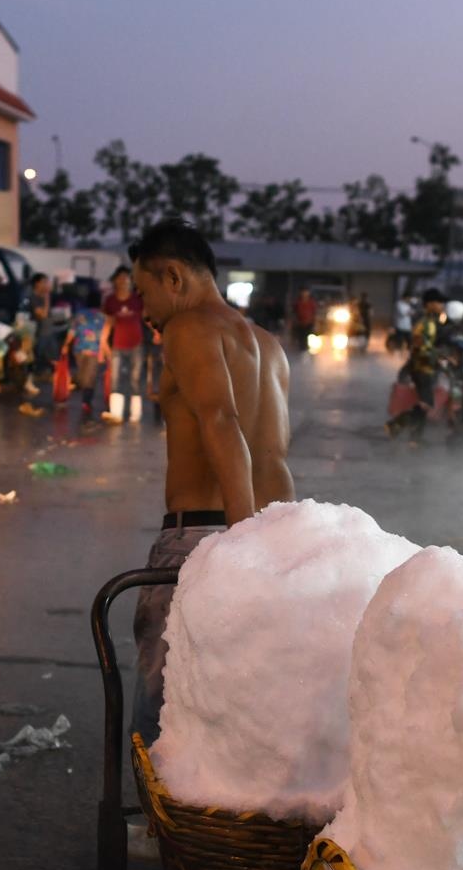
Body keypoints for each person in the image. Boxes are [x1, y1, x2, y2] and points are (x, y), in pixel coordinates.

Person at [126, 218, 293, 745]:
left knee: (162, 712)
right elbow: (274, 457)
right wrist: (274, 543)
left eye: (143, 291)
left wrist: (238, 544)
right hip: (268, 535)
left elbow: (221, 420)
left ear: (174, 277)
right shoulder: (268, 345)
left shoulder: (188, 328)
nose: (142, 309)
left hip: (200, 541)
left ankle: (154, 801)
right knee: (230, 708)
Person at [387, 288, 445, 438]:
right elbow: (420, 348)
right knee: (426, 403)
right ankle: (397, 424)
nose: (442, 306)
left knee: (424, 402)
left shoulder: (432, 322)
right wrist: (437, 357)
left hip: (425, 368)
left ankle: (415, 438)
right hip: (422, 368)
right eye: (439, 302)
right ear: (430, 304)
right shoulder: (424, 323)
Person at [102, 265, 146, 423]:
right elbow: (108, 322)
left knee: (135, 380)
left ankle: (135, 414)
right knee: (116, 380)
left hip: (136, 345)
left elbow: (147, 318)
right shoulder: (110, 300)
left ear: (131, 281)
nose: (123, 281)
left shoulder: (138, 299)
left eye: (126, 278)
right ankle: (116, 414)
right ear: (115, 281)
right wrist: (103, 343)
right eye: (119, 278)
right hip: (118, 346)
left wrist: (157, 333)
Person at [62, 290, 109, 424]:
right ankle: (85, 398)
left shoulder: (79, 314)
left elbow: (72, 331)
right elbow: (105, 336)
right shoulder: (103, 317)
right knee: (90, 376)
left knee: (84, 374)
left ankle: (84, 397)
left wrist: (65, 345)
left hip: (79, 349)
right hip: (94, 351)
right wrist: (106, 352)